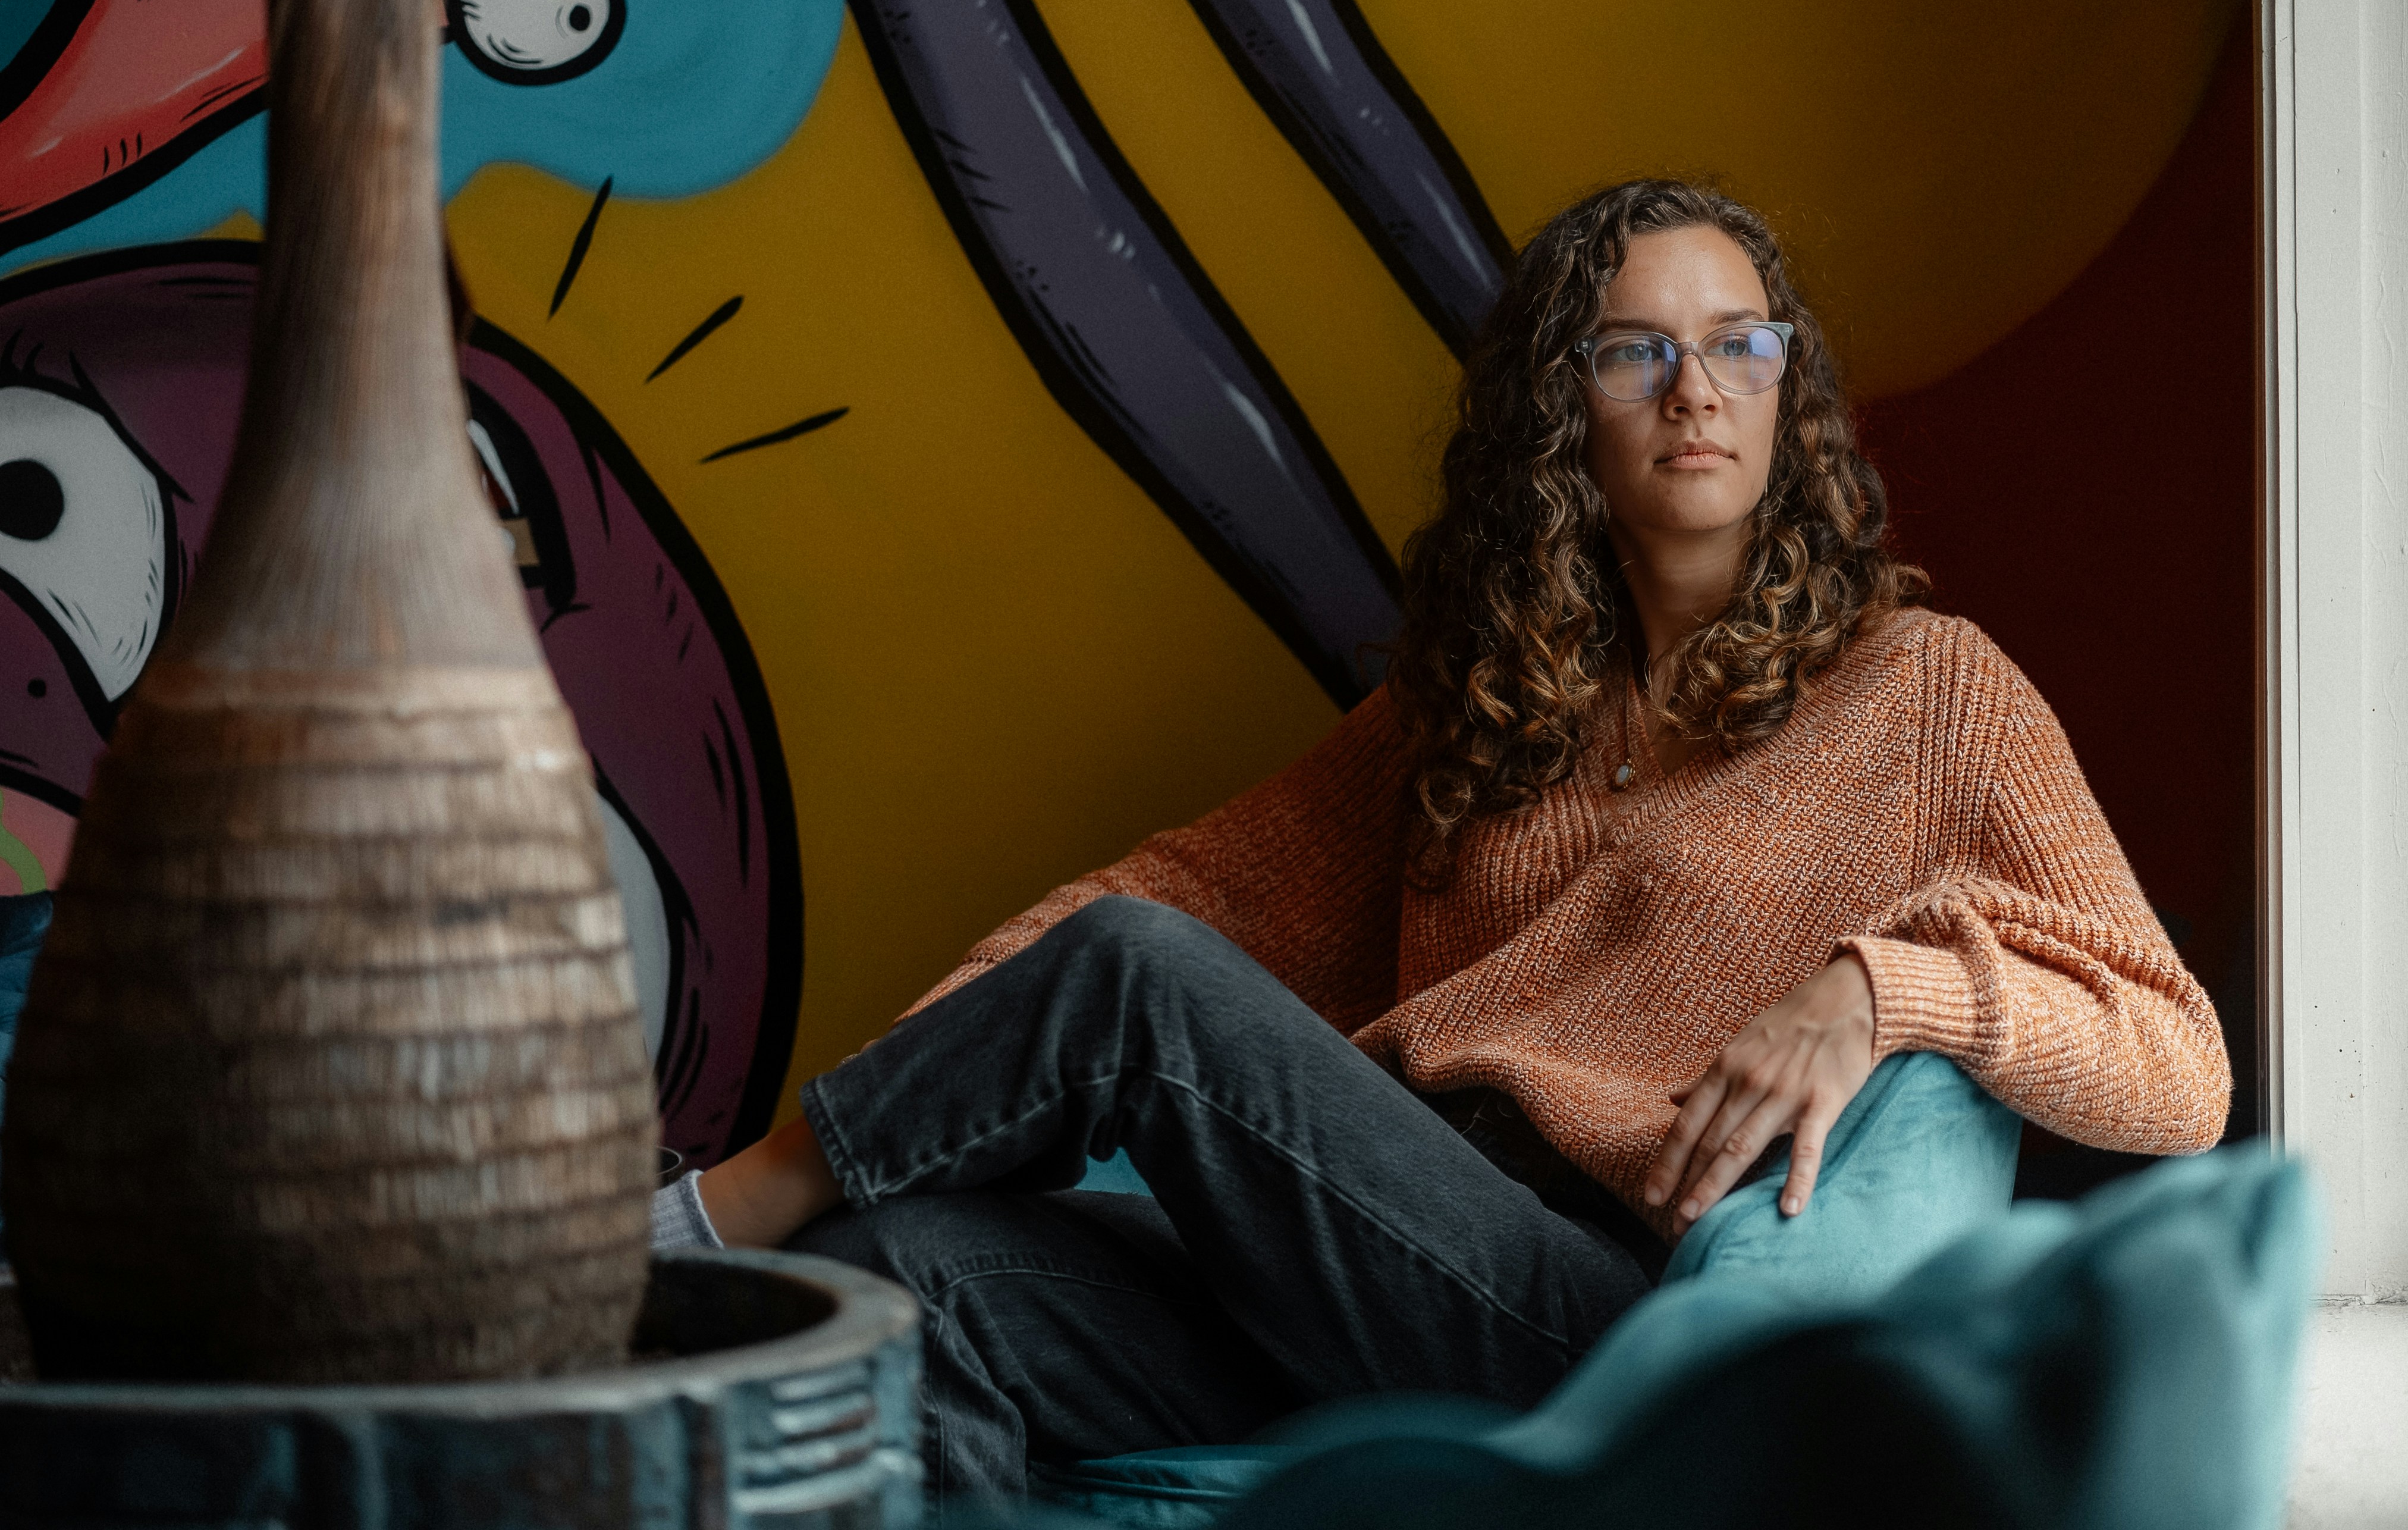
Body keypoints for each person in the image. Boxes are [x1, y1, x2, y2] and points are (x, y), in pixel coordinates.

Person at [652, 179, 2233, 1503]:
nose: (1697, 391)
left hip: (1572, 1309)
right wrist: (947, 1069)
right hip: (1342, 1253)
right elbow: (1173, 893)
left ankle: (676, 1239)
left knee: (1131, 984)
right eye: (1639, 353)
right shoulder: (1485, 695)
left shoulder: (1924, 693)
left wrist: (1890, 995)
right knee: (885, 1271)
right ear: (1566, 407)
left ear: (1786, 393)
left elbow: (2178, 1063)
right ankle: (778, 1239)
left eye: (1740, 345)